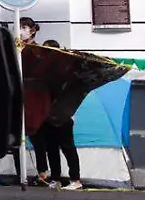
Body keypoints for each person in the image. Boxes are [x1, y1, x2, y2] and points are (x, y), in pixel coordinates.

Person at [11, 17, 52, 187]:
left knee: (37, 137)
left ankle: (42, 172)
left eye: (24, 27)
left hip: (34, 100)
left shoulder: (38, 51)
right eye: (19, 27)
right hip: (17, 97)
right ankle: (20, 174)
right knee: (15, 138)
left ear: (32, 30)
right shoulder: (14, 48)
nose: (21, 30)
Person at [39, 39, 83, 190]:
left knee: (68, 148)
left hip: (64, 116)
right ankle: (55, 178)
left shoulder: (66, 71)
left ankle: (75, 180)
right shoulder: (43, 70)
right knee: (51, 148)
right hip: (47, 115)